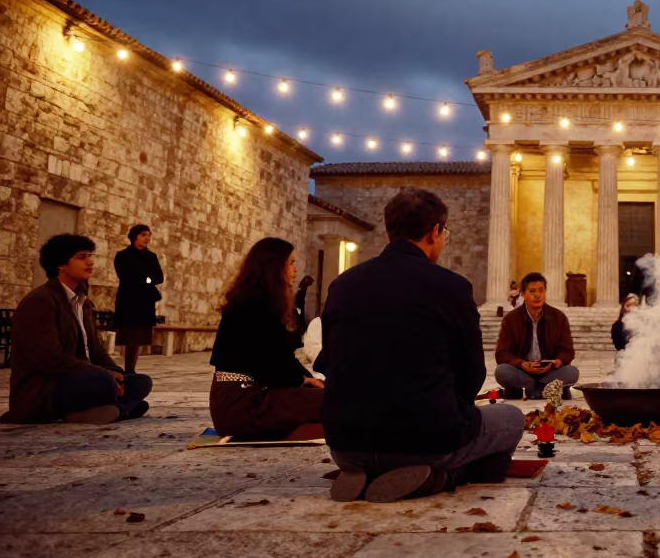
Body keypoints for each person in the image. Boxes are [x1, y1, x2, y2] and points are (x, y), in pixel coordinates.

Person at [323, 188, 524, 502]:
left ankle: (369, 472)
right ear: (435, 232)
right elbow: (471, 376)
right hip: (425, 441)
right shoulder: (452, 287)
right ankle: (442, 476)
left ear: (389, 231)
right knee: (511, 418)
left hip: (346, 444)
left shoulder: (341, 286)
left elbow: (329, 363)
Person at [0, 234, 152, 424]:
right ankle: (121, 408)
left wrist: (117, 375)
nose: (90, 262)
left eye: (90, 256)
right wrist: (105, 375)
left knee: (140, 382)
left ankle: (109, 410)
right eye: (81, 257)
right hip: (46, 388)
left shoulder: (82, 302)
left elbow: (96, 351)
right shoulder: (40, 302)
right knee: (104, 383)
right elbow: (51, 360)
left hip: (83, 378)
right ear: (61, 264)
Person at [208, 238, 323, 440]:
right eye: (291, 263)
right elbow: (270, 363)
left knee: (332, 397)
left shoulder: (259, 301)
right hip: (243, 406)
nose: (295, 270)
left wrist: (308, 380)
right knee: (337, 401)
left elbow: (282, 357)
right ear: (274, 267)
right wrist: (303, 381)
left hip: (247, 398)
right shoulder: (253, 305)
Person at [495, 273, 579, 399]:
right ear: (523, 293)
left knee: (572, 372)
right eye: (532, 291)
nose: (537, 295)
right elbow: (502, 353)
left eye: (541, 290)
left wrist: (557, 362)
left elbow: (567, 351)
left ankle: (530, 391)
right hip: (522, 372)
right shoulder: (511, 319)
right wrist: (522, 364)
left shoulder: (558, 317)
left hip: (549, 372)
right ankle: (545, 390)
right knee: (502, 371)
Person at [113, 224, 163, 374]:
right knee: (128, 337)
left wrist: (146, 279)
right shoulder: (123, 256)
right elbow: (125, 276)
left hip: (144, 301)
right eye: (143, 235)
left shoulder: (151, 257)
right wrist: (146, 278)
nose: (147, 238)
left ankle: (131, 369)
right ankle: (128, 369)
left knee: (138, 338)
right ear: (134, 236)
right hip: (128, 300)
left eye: (148, 235)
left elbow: (158, 277)